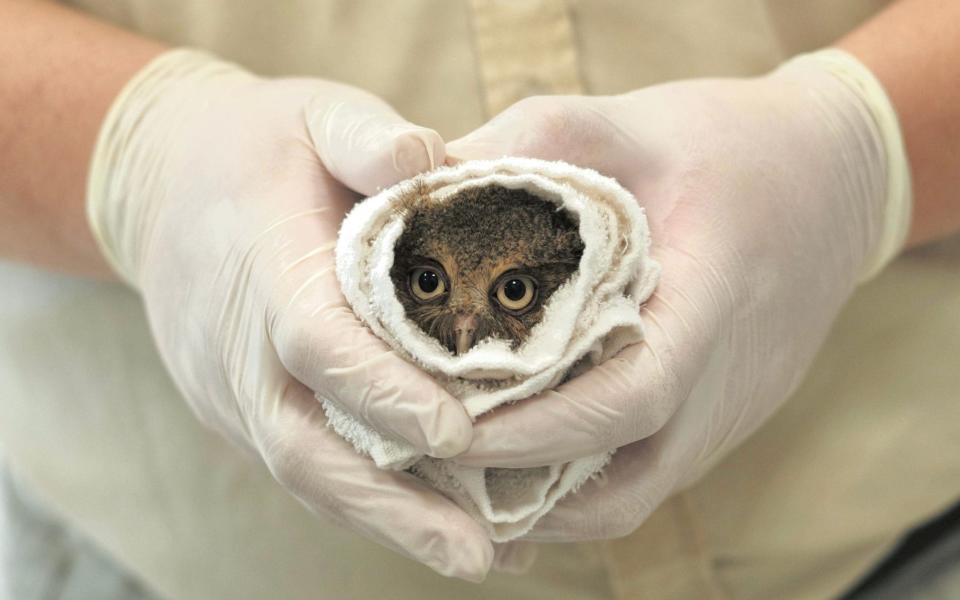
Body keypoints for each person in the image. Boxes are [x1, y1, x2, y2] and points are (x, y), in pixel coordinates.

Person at [1, 0, 958, 598]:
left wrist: (867, 140)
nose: (466, 330)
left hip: (902, 531)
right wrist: (132, 150)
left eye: (507, 291)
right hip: (158, 557)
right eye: (430, 287)